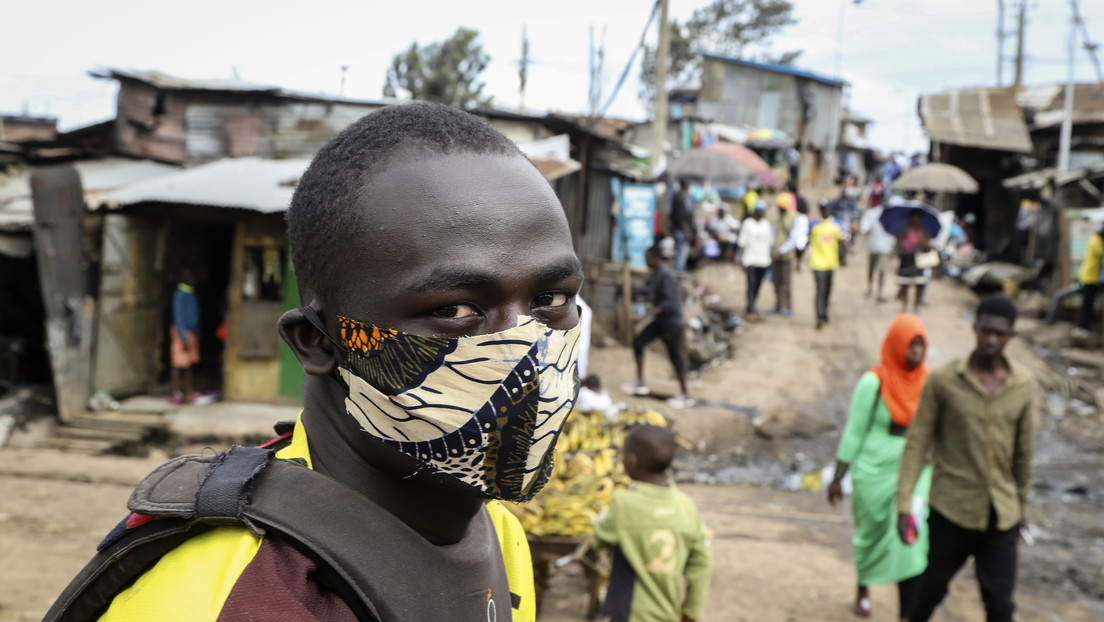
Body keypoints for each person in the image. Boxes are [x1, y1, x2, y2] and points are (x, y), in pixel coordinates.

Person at [46, 103, 586, 622]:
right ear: (318, 342)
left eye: (551, 300)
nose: (530, 349)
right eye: (455, 310)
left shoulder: (495, 533)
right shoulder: (243, 599)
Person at [896, 296, 1036, 622]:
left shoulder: (1022, 385)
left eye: (999, 334)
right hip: (951, 512)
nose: (991, 340)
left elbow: (1024, 453)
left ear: (1010, 337)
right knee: (929, 590)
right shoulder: (944, 381)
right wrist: (904, 504)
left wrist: (1021, 507)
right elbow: (917, 442)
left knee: (1000, 605)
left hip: (1000, 516)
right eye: (985, 331)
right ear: (975, 329)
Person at [828, 315, 932, 621]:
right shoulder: (873, 382)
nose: (916, 353)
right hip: (873, 470)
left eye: (921, 346)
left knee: (911, 537)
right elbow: (854, 433)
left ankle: (907, 613)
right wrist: (838, 477)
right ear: (896, 345)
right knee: (869, 533)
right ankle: (863, 587)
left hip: (914, 472)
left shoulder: (928, 383)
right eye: (910, 345)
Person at [592, 424, 712, 622]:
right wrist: (691, 611)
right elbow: (702, 562)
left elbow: (599, 539)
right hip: (668, 614)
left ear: (632, 461)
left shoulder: (624, 503)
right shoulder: (687, 506)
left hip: (629, 614)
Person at [623, 245, 692, 408]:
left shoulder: (666, 275)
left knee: (675, 356)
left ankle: (685, 394)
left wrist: (644, 317)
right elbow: (648, 294)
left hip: (671, 322)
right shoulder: (655, 276)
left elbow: (666, 303)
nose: (646, 261)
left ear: (655, 258)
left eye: (648, 257)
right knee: (638, 343)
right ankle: (640, 382)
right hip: (661, 321)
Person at [808, 202, 846, 330]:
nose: (825, 211)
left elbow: (843, 240)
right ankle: (819, 316)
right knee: (820, 290)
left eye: (826, 208)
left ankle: (824, 313)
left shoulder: (836, 224)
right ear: (820, 209)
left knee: (828, 290)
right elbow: (806, 241)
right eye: (822, 209)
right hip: (817, 264)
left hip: (831, 264)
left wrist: (847, 252)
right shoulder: (813, 225)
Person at [737, 200, 774, 322]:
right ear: (756, 211)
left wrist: (771, 260)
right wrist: (742, 260)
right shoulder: (747, 224)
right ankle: (752, 310)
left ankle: (750, 307)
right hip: (750, 260)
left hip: (763, 261)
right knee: (751, 285)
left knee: (758, 285)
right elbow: (742, 243)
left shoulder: (767, 225)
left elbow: (770, 243)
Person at [170, 267, 201, 404]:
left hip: (190, 332)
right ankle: (175, 393)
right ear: (182, 278)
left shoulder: (189, 293)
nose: (192, 279)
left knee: (188, 365)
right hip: (182, 332)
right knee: (178, 364)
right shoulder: (180, 294)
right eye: (188, 277)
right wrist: (183, 337)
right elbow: (179, 317)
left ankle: (189, 392)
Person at [860, 200, 897, 302]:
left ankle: (877, 291)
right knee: (874, 270)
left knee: (881, 271)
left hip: (884, 247)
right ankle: (871, 288)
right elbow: (864, 229)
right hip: (876, 247)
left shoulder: (889, 215)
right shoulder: (873, 214)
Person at [895, 211, 931, 313]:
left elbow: (927, 246)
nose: (916, 220)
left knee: (919, 284)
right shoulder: (904, 229)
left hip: (918, 261)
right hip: (906, 259)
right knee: (905, 284)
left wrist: (920, 238)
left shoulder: (923, 231)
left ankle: (916, 305)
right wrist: (903, 244)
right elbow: (898, 242)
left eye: (918, 218)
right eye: (914, 217)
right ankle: (904, 305)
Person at [769, 193, 799, 317]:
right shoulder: (777, 218)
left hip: (786, 256)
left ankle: (788, 307)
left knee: (786, 283)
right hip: (775, 255)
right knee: (776, 282)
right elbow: (773, 234)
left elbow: (793, 238)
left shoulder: (792, 218)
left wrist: (782, 250)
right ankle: (777, 305)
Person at [1072, 224, 1104, 339]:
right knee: (1087, 304)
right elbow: (1102, 254)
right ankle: (1082, 327)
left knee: (1088, 304)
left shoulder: (1094, 239)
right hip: (1090, 277)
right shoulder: (1097, 241)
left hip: (1090, 276)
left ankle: (1084, 326)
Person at [670, 179, 694, 272]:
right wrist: (687, 230)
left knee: (681, 250)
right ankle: (678, 270)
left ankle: (679, 268)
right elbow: (680, 216)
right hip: (681, 229)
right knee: (681, 250)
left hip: (681, 228)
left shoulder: (682, 196)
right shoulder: (680, 197)